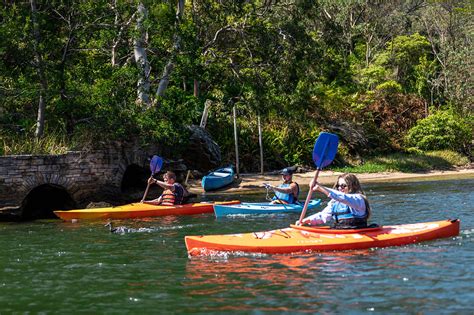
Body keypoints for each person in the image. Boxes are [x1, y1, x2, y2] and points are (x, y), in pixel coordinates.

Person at [297, 173, 371, 229]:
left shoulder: (358, 199)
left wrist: (320, 188)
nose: (339, 188)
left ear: (353, 186)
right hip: (340, 232)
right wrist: (305, 220)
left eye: (343, 186)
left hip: (358, 233)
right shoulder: (335, 202)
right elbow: (323, 215)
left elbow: (343, 197)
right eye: (338, 186)